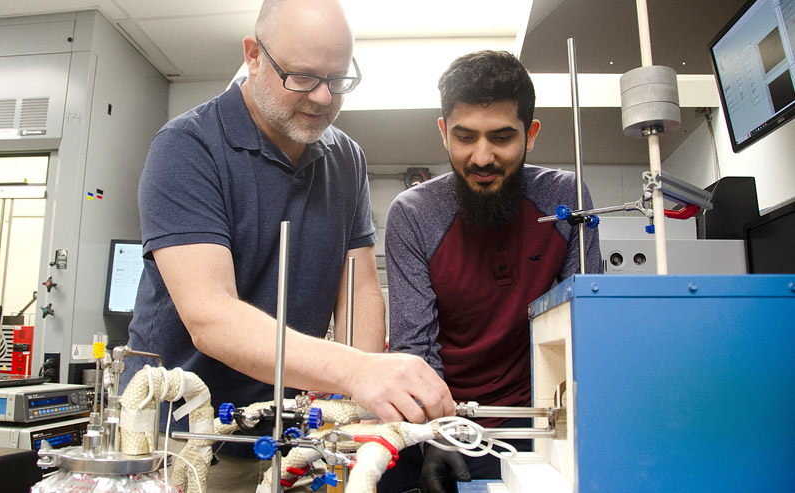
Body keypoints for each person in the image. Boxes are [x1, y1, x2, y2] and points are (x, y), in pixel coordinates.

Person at [122, 0, 454, 491]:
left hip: (290, 433)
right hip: (183, 436)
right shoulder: (187, 147)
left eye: (338, 79)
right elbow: (210, 317)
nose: (322, 97)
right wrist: (358, 370)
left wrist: (355, 411)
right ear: (254, 55)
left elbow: (359, 290)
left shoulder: (347, 159)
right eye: (301, 77)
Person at [380, 50, 602, 492]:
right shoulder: (413, 214)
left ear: (531, 133)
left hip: (539, 425)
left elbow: (586, 328)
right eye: (465, 137)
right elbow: (414, 346)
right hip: (443, 427)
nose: (482, 157)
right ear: (444, 133)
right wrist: (438, 433)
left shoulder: (565, 200)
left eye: (501, 137)